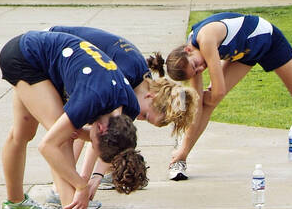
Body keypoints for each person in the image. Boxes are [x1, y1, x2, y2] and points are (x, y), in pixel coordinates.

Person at [162, 13, 292, 180]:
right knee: (204, 105)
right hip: (243, 54)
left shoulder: (205, 40)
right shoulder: (192, 60)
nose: (200, 69)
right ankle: (180, 158)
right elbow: (202, 103)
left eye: (196, 65)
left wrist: (202, 98)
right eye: (195, 73)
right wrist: (197, 102)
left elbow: (218, 93)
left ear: (188, 50)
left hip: (266, 39)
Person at [0, 30, 152, 209]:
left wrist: (94, 178)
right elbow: (48, 146)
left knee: (22, 133)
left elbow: (94, 138)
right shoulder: (92, 99)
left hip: (34, 54)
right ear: (99, 130)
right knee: (62, 140)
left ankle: (15, 204)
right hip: (26, 57)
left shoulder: (129, 107)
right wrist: (80, 185)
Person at [48, 25, 198, 196]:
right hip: (52, 48)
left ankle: (66, 186)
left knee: (82, 127)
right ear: (152, 97)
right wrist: (83, 179)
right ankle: (59, 189)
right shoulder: (126, 75)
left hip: (67, 60)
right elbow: (98, 133)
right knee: (70, 130)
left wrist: (94, 178)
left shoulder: (140, 86)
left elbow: (107, 136)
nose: (139, 119)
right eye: (146, 116)